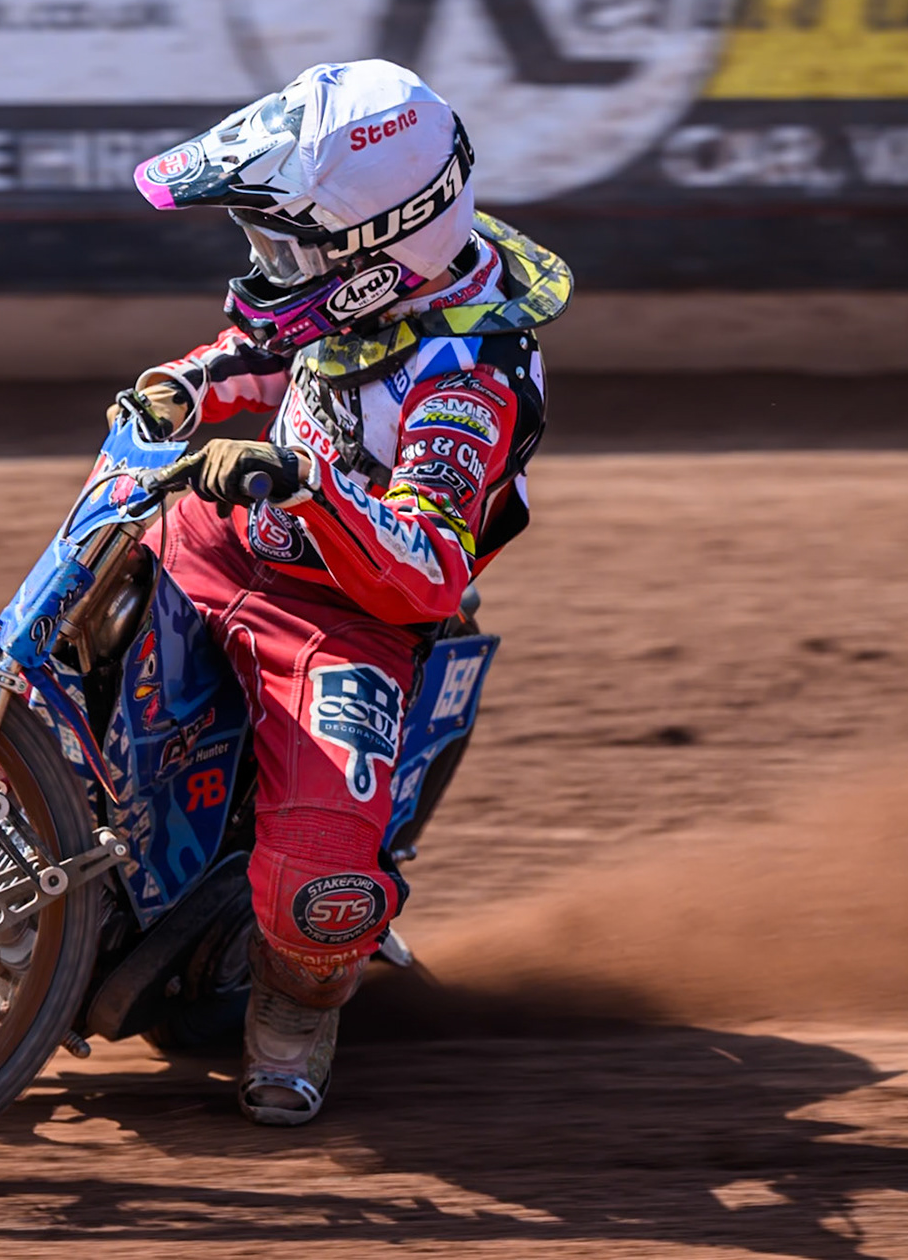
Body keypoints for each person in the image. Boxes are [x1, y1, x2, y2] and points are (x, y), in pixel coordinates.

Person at [121, 60, 571, 1125]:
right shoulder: (370, 290)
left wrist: (305, 482)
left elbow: (427, 566)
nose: (263, 266)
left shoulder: (470, 375)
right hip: (223, 532)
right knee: (45, 644)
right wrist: (190, 386)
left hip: (350, 619)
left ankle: (296, 1005)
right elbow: (270, 351)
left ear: (377, 256)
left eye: (284, 248)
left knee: (322, 883)